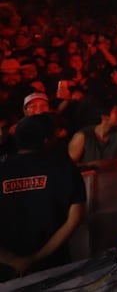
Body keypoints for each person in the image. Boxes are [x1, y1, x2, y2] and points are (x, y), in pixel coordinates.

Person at [0, 114, 86, 281]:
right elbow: (75, 218)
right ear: (47, 140)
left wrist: (13, 261)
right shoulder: (64, 168)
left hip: (6, 271)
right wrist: (35, 259)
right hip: (54, 266)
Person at [67, 95, 117, 165]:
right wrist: (93, 165)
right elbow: (69, 166)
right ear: (105, 117)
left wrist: (113, 162)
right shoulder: (82, 137)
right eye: (115, 112)